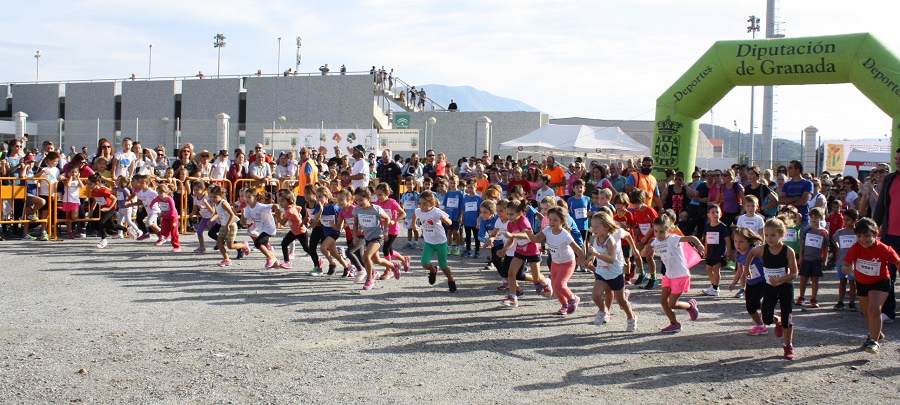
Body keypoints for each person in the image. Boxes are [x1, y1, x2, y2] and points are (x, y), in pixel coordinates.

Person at [743, 217, 800, 360]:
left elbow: (794, 273)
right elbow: (750, 253)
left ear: (782, 234)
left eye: (773, 235)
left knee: (787, 319)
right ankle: (778, 322)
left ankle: (788, 346)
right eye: (766, 235)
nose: (769, 238)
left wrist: (780, 279)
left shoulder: (788, 251)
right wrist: (746, 269)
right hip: (770, 288)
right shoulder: (762, 250)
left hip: (785, 287)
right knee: (767, 318)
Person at [843, 217, 900, 354]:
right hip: (862, 283)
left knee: (874, 309)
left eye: (867, 235)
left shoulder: (884, 249)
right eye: (859, 236)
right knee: (867, 313)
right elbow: (845, 265)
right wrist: (850, 270)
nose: (863, 239)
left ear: (875, 234)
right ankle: (876, 333)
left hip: (881, 282)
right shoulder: (855, 248)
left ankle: (873, 341)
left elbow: (897, 262)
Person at [517, 206, 585, 315]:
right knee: (554, 285)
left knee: (559, 285)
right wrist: (529, 234)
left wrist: (583, 261)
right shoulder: (547, 230)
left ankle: (573, 299)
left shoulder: (565, 235)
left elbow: (577, 249)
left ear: (562, 221)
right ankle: (564, 305)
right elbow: (536, 239)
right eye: (550, 219)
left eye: (555, 220)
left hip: (568, 263)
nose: (552, 222)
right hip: (556, 262)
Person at [642, 215, 704, 333]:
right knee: (663, 301)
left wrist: (699, 245)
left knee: (672, 304)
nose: (658, 234)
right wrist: (646, 248)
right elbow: (642, 254)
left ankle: (690, 306)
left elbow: (692, 238)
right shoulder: (656, 242)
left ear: (669, 230)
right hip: (669, 276)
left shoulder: (673, 238)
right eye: (655, 231)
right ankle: (674, 324)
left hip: (680, 275)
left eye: (661, 232)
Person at [587, 211, 638, 330]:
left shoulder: (610, 240)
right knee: (596, 296)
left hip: (615, 274)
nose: (593, 229)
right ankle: (602, 310)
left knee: (621, 301)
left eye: (596, 227)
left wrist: (596, 254)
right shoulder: (594, 238)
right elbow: (591, 253)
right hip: (601, 273)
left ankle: (631, 317)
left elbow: (611, 259)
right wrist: (590, 259)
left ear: (606, 227)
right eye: (592, 226)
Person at [873, 149, 900, 323]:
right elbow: (881, 205)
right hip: (890, 234)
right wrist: (873, 227)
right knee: (888, 273)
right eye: (897, 159)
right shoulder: (890, 179)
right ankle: (889, 311)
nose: (898, 161)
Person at [412, 190, 457, 292]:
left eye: (424, 204)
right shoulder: (419, 211)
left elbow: (449, 222)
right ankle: (433, 270)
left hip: (441, 242)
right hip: (429, 242)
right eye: (420, 203)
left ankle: (451, 279)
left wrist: (445, 220)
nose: (421, 206)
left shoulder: (436, 211)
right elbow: (415, 214)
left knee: (443, 266)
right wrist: (414, 224)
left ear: (432, 204)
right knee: (424, 263)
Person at [352, 187, 396, 290]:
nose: (359, 202)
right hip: (367, 237)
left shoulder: (376, 209)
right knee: (376, 260)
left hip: (378, 237)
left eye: (361, 200)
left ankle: (370, 279)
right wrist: (354, 236)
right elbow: (355, 224)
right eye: (357, 200)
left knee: (366, 256)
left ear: (368, 198)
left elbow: (387, 218)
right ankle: (394, 266)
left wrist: (385, 232)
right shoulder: (357, 210)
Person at [728, 227, 768, 335]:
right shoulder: (738, 254)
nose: (737, 244)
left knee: (751, 307)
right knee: (751, 306)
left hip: (761, 282)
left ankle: (761, 326)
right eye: (735, 241)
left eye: (741, 241)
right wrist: (733, 283)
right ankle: (770, 315)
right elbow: (740, 270)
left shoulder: (755, 251)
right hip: (750, 283)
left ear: (749, 241)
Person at [797, 207, 830, 308]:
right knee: (803, 279)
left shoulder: (824, 232)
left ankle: (814, 299)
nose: (814, 219)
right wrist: (800, 257)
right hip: (806, 258)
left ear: (821, 218)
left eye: (816, 217)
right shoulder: (806, 230)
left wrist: (825, 260)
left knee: (815, 280)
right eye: (811, 217)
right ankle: (801, 297)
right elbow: (802, 244)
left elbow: (826, 247)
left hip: (817, 259)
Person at [209, 185, 249, 267]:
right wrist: (211, 219)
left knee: (230, 246)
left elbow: (231, 214)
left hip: (231, 225)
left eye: (215, 197)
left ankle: (244, 245)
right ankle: (227, 259)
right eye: (211, 197)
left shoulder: (223, 203)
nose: (213, 199)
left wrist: (227, 225)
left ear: (222, 196)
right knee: (219, 243)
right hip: (223, 225)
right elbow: (218, 213)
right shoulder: (217, 203)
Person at [86, 174, 127, 249]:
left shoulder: (103, 190)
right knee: (112, 226)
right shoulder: (93, 191)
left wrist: (109, 208)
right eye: (87, 184)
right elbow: (95, 200)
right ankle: (127, 229)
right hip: (104, 208)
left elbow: (114, 199)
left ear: (97, 183)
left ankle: (103, 240)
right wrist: (91, 210)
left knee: (101, 222)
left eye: (90, 184)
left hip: (111, 208)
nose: (88, 185)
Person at [242, 187, 279, 269]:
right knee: (264, 247)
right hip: (261, 229)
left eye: (249, 197)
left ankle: (271, 258)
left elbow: (275, 206)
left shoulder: (261, 206)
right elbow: (243, 222)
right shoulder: (247, 208)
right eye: (245, 196)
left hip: (269, 227)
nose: (246, 199)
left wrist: (279, 217)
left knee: (257, 243)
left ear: (255, 198)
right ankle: (276, 262)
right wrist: (242, 212)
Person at [703, 204, 731, 296]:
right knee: (708, 269)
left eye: (717, 212)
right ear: (708, 215)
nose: (715, 214)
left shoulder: (722, 226)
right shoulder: (707, 226)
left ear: (721, 214)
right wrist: (705, 249)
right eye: (713, 212)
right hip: (710, 252)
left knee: (716, 269)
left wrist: (729, 251)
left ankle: (715, 288)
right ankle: (714, 285)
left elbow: (727, 239)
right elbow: (707, 238)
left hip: (719, 252)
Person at [833, 208, 859, 310]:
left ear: (854, 221)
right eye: (844, 219)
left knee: (852, 282)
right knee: (842, 281)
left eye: (848, 219)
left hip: (853, 262)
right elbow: (833, 239)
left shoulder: (857, 233)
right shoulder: (840, 232)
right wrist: (837, 247)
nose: (845, 221)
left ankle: (852, 302)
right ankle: (840, 301)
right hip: (842, 261)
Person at [779, 160, 814, 228]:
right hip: (788, 219)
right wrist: (796, 198)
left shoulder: (808, 184)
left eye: (790, 168)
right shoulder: (786, 185)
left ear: (797, 170)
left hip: (803, 220)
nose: (788, 170)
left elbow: (803, 201)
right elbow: (781, 200)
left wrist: (788, 204)